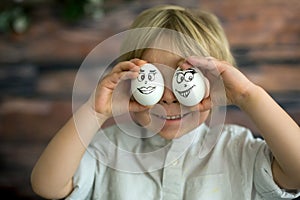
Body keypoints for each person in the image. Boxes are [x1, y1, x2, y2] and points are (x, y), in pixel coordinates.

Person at [30, 4, 300, 200]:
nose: (169, 96)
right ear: (130, 84)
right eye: (154, 78)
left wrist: (248, 96)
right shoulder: (107, 150)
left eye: (185, 78)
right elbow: (47, 186)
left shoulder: (238, 150)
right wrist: (95, 111)